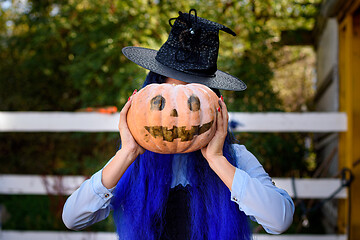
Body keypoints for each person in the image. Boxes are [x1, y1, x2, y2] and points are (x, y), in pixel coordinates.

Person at [62, 9, 294, 240]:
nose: (177, 115)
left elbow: (279, 220)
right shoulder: (133, 163)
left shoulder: (234, 158)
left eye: (192, 102)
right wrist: (127, 153)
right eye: (164, 100)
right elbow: (73, 218)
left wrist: (217, 160)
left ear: (216, 106)